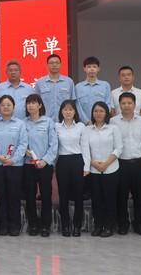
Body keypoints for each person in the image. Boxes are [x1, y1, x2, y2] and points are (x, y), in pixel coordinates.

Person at [110, 92, 141, 236]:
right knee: (121, 195)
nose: (127, 106)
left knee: (139, 195)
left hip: (139, 163)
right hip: (120, 163)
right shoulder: (113, 122)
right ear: (119, 105)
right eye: (123, 103)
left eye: (129, 103)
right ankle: (123, 224)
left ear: (135, 105)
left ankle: (139, 223)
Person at [81, 102, 123, 237]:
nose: (98, 114)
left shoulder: (113, 128)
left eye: (101, 111)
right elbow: (85, 149)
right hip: (94, 171)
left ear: (106, 113)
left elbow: (119, 148)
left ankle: (109, 226)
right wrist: (93, 163)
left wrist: (106, 164)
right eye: (96, 111)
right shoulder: (87, 130)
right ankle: (98, 225)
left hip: (111, 169)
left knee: (110, 199)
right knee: (96, 200)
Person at [0, 95, 28, 236]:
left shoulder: (20, 124)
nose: (6, 107)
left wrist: (13, 159)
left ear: (14, 107)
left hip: (15, 165)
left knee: (14, 195)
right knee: (0, 195)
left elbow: (23, 144)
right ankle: (2, 225)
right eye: (3, 105)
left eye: (8, 105)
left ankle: (14, 225)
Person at [23, 94, 58, 237]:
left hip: (45, 165)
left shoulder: (48, 122)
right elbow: (20, 142)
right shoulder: (23, 123)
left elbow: (54, 144)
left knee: (46, 195)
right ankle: (33, 225)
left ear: (40, 105)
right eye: (28, 103)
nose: (31, 105)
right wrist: (25, 151)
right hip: (28, 164)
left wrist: (45, 160)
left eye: (34, 103)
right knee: (29, 195)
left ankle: (45, 225)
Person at [55, 100, 86, 237]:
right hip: (62, 161)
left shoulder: (80, 126)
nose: (68, 112)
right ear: (61, 111)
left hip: (78, 160)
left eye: (70, 109)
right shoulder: (56, 126)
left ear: (75, 112)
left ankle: (77, 225)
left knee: (79, 194)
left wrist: (86, 165)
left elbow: (85, 147)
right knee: (63, 195)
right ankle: (65, 225)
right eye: (65, 109)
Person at [35, 54, 76, 121]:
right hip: (45, 121)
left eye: (57, 63)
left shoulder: (69, 82)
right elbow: (36, 103)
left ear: (60, 65)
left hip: (64, 121)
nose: (54, 65)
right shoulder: (40, 83)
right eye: (51, 63)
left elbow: (73, 102)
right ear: (47, 65)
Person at [75, 56, 114, 125]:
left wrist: (100, 120)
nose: (92, 69)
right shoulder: (78, 87)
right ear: (84, 69)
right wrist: (86, 121)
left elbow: (108, 104)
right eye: (89, 67)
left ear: (98, 69)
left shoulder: (105, 85)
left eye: (94, 67)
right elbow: (78, 107)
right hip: (84, 125)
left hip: (101, 124)